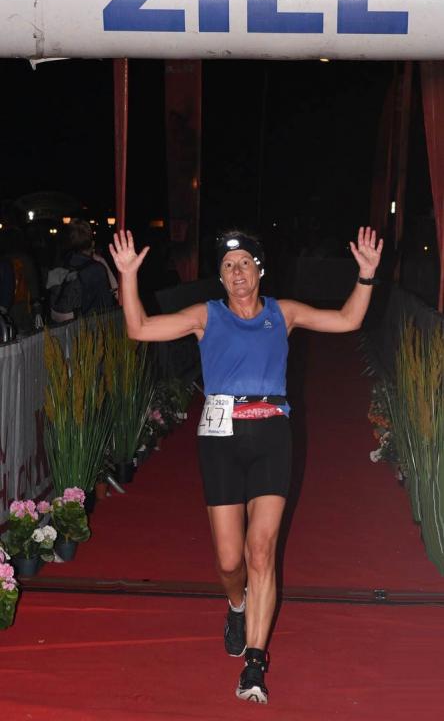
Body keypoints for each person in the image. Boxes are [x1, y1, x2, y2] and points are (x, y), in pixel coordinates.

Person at [109, 225, 383, 705]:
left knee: (261, 550)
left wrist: (365, 276)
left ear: (260, 269)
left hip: (272, 436)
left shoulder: (283, 312)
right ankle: (236, 603)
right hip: (220, 441)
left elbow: (346, 320)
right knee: (230, 561)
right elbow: (140, 329)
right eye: (228, 267)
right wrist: (128, 276)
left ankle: (254, 662)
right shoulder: (206, 315)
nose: (237, 273)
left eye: (244, 264)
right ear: (221, 277)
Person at [49, 219, 116, 322]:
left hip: (57, 325)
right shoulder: (96, 269)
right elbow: (108, 304)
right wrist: (104, 263)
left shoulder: (60, 264)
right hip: (85, 326)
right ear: (92, 243)